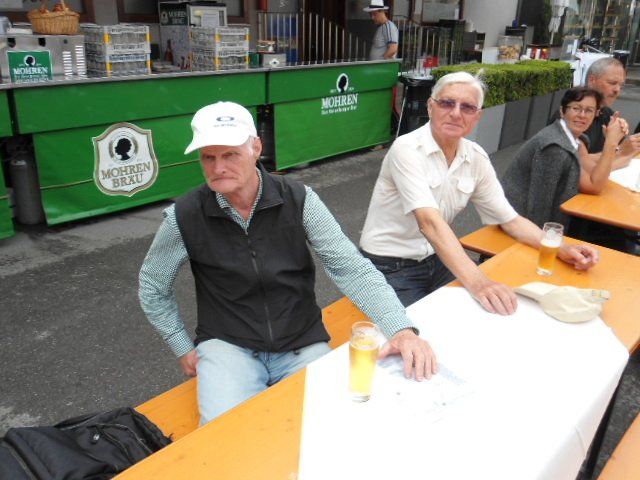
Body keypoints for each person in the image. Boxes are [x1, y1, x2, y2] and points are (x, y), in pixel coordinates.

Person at [139, 102, 436, 425]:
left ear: (256, 148)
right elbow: (152, 285)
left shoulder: (299, 199)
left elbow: (351, 267)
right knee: (225, 436)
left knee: (334, 424)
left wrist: (401, 329)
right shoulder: (184, 215)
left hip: (300, 341)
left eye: (230, 155)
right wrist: (182, 345)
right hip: (228, 346)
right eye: (208, 157)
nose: (218, 167)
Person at [359, 72, 600, 311]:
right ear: (431, 107)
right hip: (389, 265)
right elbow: (429, 223)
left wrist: (560, 249)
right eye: (447, 103)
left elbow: (510, 220)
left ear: (477, 117)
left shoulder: (475, 157)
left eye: (467, 107)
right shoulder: (407, 149)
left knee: (487, 314)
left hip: (437, 258)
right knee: (423, 329)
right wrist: (479, 282)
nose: (456, 113)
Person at [502, 87, 627, 228]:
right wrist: (611, 143)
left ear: (596, 114)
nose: (582, 115)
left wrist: (615, 144)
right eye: (576, 108)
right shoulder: (554, 146)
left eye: (589, 110)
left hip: (527, 220)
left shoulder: (576, 140)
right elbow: (593, 186)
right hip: (517, 223)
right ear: (562, 111)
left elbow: (593, 172)